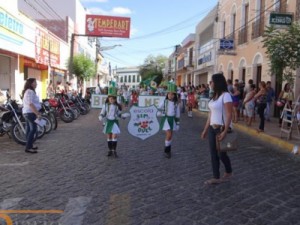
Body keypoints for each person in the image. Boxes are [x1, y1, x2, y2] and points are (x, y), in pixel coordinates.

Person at [201, 73, 233, 185]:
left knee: (221, 154)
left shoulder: (226, 96)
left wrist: (225, 131)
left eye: (212, 81)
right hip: (211, 128)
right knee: (213, 153)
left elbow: (229, 114)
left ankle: (229, 171)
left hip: (221, 128)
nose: (210, 83)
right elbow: (210, 115)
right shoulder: (214, 96)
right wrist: (205, 130)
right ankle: (216, 177)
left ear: (217, 82)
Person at [99, 86, 123, 158]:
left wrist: (123, 115)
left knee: (114, 136)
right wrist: (101, 116)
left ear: (115, 99)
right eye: (110, 98)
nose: (111, 100)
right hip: (108, 122)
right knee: (109, 136)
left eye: (113, 98)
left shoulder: (117, 106)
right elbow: (102, 113)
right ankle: (110, 150)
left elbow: (119, 114)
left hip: (115, 122)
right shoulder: (105, 106)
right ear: (108, 98)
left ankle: (114, 151)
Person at [158, 83, 180, 159]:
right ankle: (166, 151)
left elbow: (177, 114)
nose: (170, 95)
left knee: (171, 136)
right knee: (169, 135)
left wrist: (177, 123)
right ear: (167, 94)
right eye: (169, 94)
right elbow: (158, 108)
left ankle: (168, 149)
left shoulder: (176, 104)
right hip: (166, 120)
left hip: (172, 120)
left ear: (174, 95)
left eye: (172, 94)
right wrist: (161, 113)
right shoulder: (164, 102)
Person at [22, 78, 42, 154]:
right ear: (31, 84)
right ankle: (28, 147)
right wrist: (37, 113)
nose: (36, 83)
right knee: (33, 129)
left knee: (29, 130)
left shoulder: (29, 91)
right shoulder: (29, 92)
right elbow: (30, 104)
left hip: (28, 112)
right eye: (35, 82)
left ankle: (29, 145)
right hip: (30, 113)